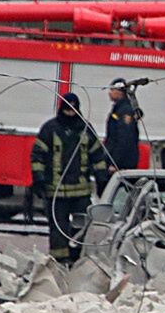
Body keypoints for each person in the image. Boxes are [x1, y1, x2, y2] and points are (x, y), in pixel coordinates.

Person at [30, 91, 108, 265]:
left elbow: (97, 156)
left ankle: (78, 258)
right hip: (56, 190)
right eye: (67, 111)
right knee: (58, 228)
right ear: (61, 109)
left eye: (73, 111)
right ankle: (59, 262)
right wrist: (39, 178)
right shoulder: (50, 129)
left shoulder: (85, 129)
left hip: (80, 191)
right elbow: (37, 156)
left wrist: (102, 178)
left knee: (83, 227)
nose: (70, 114)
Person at [104, 78, 143, 172]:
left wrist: (115, 163)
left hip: (123, 164)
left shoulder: (125, 111)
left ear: (120, 92)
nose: (109, 93)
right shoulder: (118, 109)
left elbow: (124, 139)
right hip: (118, 162)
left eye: (112, 90)